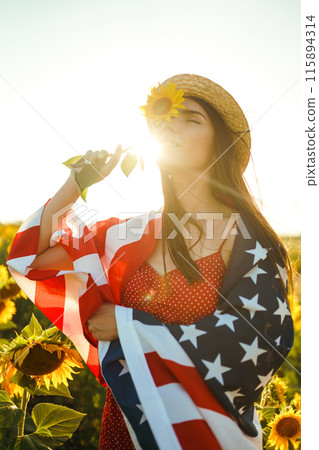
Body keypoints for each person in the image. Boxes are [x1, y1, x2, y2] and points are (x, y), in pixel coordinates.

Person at [6, 73, 295, 450]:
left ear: (220, 143)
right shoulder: (127, 235)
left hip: (204, 432)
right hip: (126, 427)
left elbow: (258, 342)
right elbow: (30, 259)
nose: (171, 128)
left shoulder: (248, 240)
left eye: (191, 118)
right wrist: (75, 183)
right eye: (164, 121)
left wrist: (129, 324)